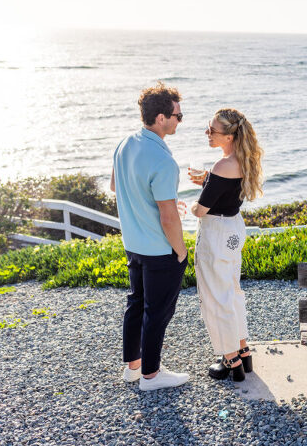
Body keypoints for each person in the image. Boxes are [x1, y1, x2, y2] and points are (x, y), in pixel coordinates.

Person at [110, 82, 190, 391]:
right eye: (177, 116)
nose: (179, 121)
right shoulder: (163, 160)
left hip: (133, 244)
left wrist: (157, 204)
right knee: (157, 312)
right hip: (159, 249)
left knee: (136, 304)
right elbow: (168, 218)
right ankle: (152, 376)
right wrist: (181, 251)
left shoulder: (124, 144)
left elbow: (119, 188)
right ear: (160, 117)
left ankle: (133, 368)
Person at [188, 108, 263, 382]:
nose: (208, 134)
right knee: (232, 290)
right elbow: (225, 188)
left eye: (212, 130)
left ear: (229, 136)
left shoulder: (223, 166)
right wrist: (208, 179)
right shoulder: (243, 160)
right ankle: (243, 350)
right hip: (233, 229)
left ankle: (230, 359)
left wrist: (188, 205)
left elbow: (200, 210)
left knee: (214, 296)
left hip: (216, 233)